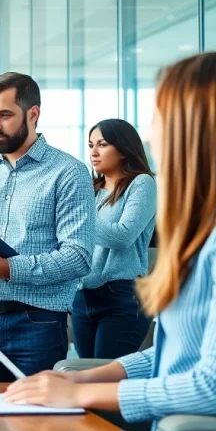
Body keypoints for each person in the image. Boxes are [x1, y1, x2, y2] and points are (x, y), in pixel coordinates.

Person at [5, 52, 216, 430]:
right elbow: (175, 354)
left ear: (197, 129)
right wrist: (81, 379)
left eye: (157, 118)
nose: (149, 135)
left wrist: (80, 395)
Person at [0, 72, 95, 381]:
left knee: (34, 412)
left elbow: (78, 257)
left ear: (33, 114)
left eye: (4, 115)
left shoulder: (69, 172)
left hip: (38, 323)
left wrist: (5, 268)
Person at [72, 119, 156, 359]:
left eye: (102, 144)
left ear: (123, 149)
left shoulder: (142, 183)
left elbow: (122, 236)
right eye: (91, 145)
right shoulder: (89, 189)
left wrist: (77, 220)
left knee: (106, 375)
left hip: (121, 296)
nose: (94, 152)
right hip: (82, 295)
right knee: (86, 372)